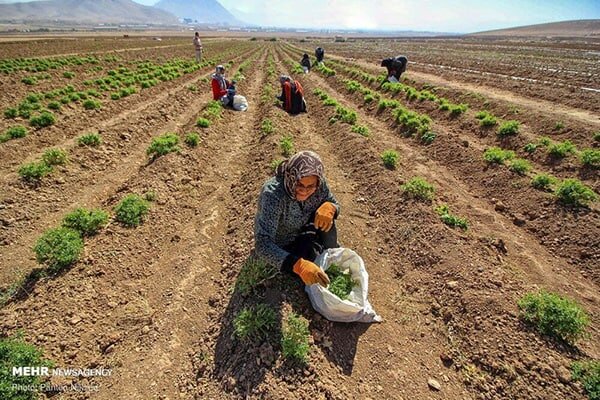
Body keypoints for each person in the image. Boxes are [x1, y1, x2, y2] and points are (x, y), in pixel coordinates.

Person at [254, 151, 340, 287]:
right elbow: (262, 243)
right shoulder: (273, 195)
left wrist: (331, 207)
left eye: (310, 186)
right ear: (290, 177)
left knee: (327, 220)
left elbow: (332, 202)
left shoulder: (319, 185)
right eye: (299, 184)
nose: (304, 190)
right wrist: (299, 266)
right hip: (283, 242)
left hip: (304, 227)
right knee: (307, 272)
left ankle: (332, 255)